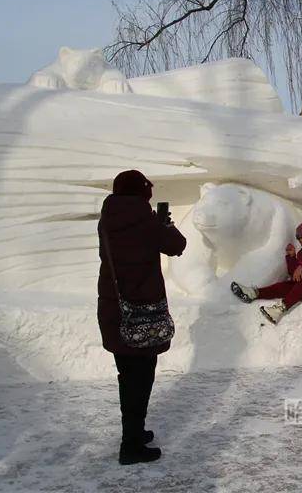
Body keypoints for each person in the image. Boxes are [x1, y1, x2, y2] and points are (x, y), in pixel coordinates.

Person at [97, 169, 186, 465]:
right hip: (143, 316)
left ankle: (134, 433)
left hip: (115, 312)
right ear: (142, 192)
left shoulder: (107, 219)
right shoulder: (147, 221)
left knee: (128, 377)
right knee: (142, 379)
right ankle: (131, 446)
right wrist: (164, 224)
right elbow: (177, 245)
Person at [230, 222, 302, 324]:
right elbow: (294, 274)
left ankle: (279, 309)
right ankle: (254, 293)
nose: (301, 240)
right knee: (286, 286)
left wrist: (301, 266)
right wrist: (291, 257)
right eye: (298, 238)